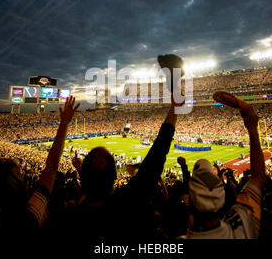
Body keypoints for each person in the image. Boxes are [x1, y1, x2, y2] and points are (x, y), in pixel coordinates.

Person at [60, 95, 183, 239]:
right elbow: (157, 154)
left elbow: (87, 186)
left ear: (86, 178)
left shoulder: (71, 217)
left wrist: (64, 125)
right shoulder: (126, 202)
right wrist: (175, 107)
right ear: (114, 176)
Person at [0, 97, 79, 228]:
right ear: (18, 189)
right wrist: (64, 123)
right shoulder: (25, 221)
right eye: (18, 174)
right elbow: (52, 166)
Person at [186, 91, 265, 239]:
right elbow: (258, 177)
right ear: (222, 201)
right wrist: (252, 127)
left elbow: (258, 177)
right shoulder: (242, 225)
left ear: (189, 203)